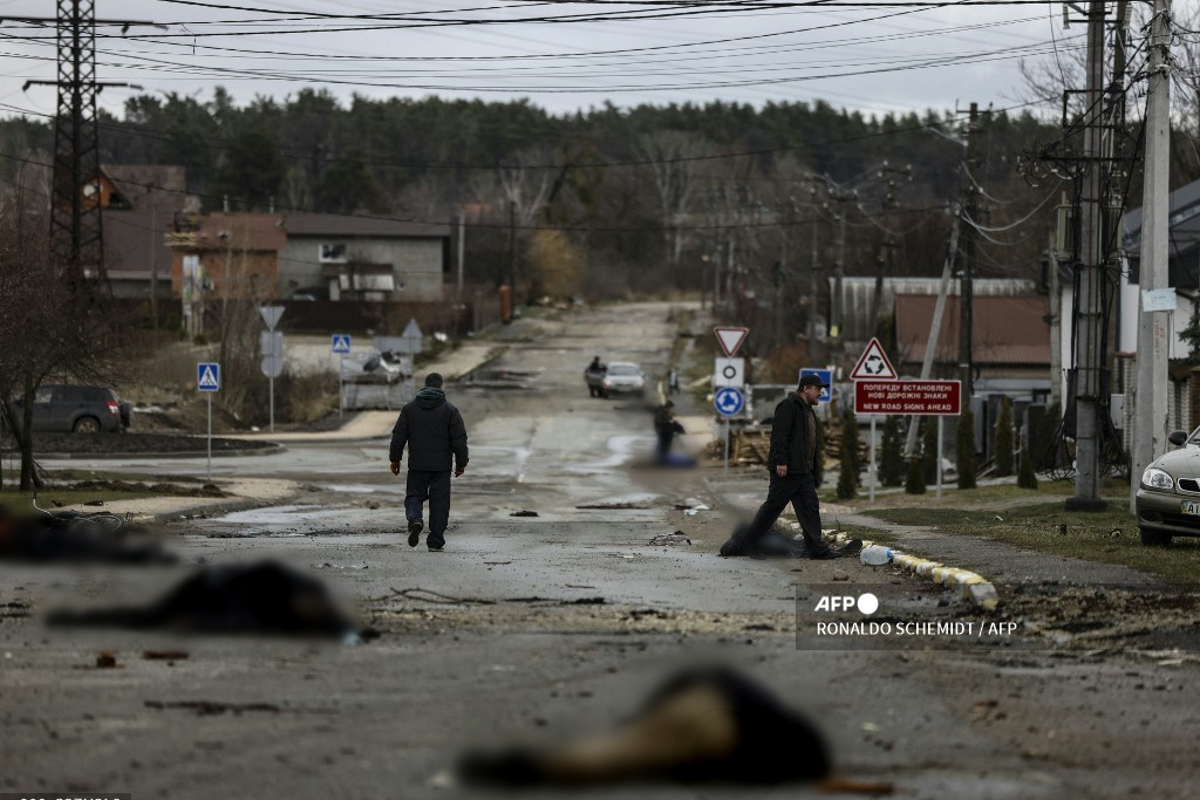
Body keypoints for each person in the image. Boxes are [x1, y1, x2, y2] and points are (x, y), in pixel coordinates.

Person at [720, 374, 857, 559]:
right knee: (772, 509)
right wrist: (781, 462)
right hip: (788, 470)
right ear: (806, 388)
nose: (820, 393)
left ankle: (817, 549)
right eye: (818, 389)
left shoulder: (808, 410)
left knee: (810, 509)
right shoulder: (789, 406)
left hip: (803, 471)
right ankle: (748, 544)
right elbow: (779, 436)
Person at [389, 373, 469, 552]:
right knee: (439, 503)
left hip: (417, 465)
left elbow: (398, 437)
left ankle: (415, 519)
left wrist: (395, 459)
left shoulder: (409, 409)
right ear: (442, 387)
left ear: (424, 386)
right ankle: (435, 541)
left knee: (414, 496)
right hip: (442, 467)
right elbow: (459, 440)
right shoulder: (450, 410)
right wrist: (461, 463)